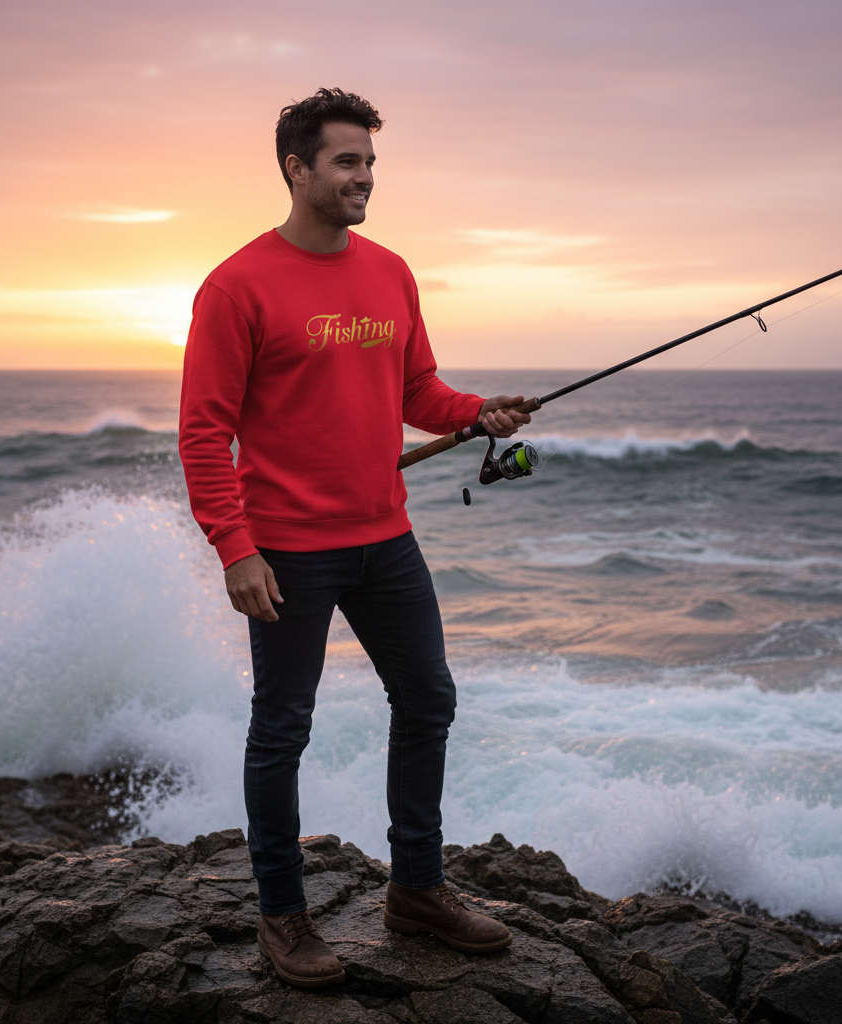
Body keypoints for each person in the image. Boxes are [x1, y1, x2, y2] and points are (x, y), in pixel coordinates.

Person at [178, 87, 532, 989]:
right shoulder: (236, 286)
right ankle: (283, 914)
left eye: (370, 162)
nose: (364, 177)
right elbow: (202, 434)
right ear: (296, 169)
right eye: (346, 161)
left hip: (387, 539)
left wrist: (478, 413)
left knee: (428, 702)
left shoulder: (391, 271)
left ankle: (415, 887)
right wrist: (235, 546)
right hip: (288, 550)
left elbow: (417, 392)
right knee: (281, 730)